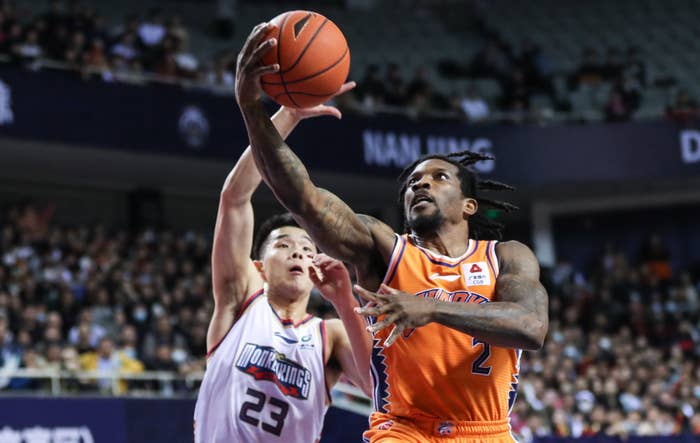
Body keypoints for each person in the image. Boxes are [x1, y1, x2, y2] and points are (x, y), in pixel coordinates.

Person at [235, 22, 549, 443]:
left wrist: (432, 309)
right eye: (413, 182)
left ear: (468, 205)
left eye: (439, 178)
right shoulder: (383, 249)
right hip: (404, 429)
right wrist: (253, 109)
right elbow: (305, 199)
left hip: (487, 431)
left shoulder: (508, 257)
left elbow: (531, 327)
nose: (421, 184)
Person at [193, 74, 371, 443]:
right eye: (285, 245)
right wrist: (286, 118)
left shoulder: (329, 335)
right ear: (259, 266)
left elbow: (383, 390)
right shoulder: (242, 300)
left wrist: (344, 301)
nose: (299, 252)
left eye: (309, 249)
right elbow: (235, 199)